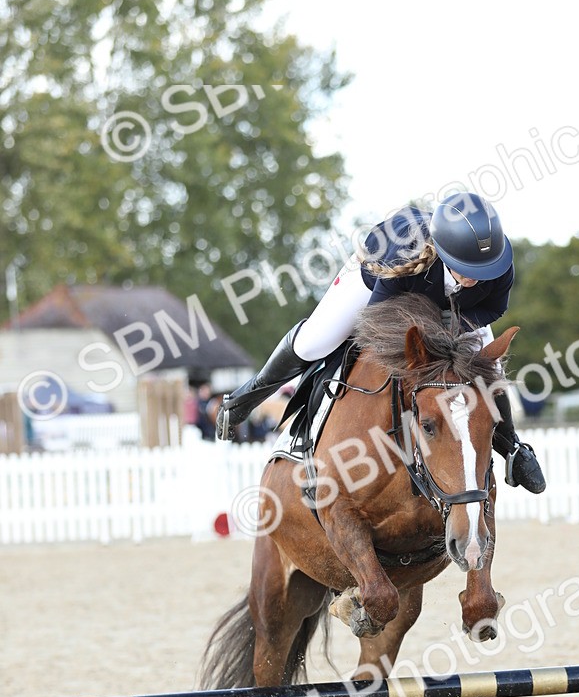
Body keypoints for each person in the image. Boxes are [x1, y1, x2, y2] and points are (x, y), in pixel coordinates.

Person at [217, 192, 546, 493]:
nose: (474, 277)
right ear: (444, 253)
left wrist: (451, 326)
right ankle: (246, 398)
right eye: (465, 268)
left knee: (490, 367)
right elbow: (377, 320)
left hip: (455, 315)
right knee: (313, 344)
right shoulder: (404, 255)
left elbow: (493, 309)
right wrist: (430, 332)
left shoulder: (497, 265)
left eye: (481, 269)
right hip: (379, 285)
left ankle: (513, 447)